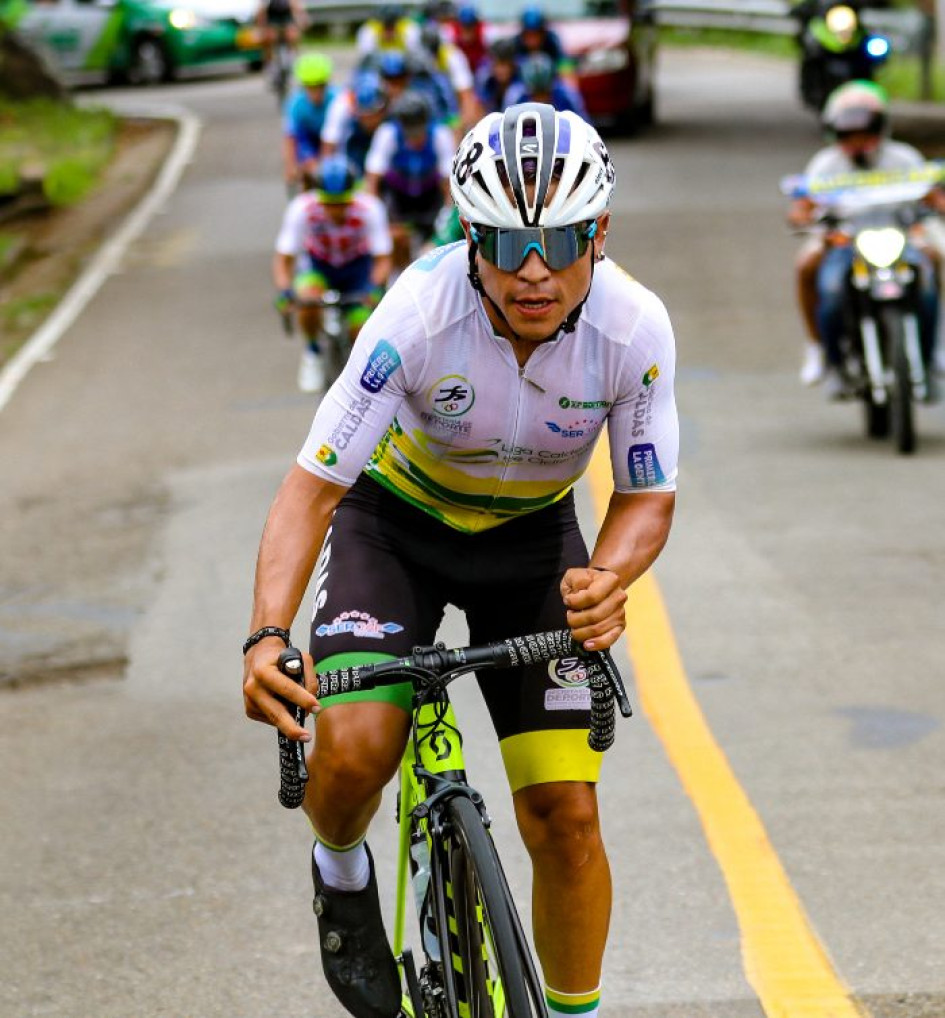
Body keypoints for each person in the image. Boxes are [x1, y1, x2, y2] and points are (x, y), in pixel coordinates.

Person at [244, 102, 679, 1018]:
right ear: (466, 234)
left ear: (597, 234)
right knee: (356, 748)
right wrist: (266, 636)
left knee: (567, 815)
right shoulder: (414, 314)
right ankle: (341, 870)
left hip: (531, 546)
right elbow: (311, 490)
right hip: (391, 529)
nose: (531, 270)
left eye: (559, 241)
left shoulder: (634, 330)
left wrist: (608, 577)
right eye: (504, 240)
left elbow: (644, 492)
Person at [787, 80, 945, 396]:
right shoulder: (825, 164)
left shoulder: (905, 158)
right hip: (844, 240)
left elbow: (932, 195)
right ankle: (820, 350)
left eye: (865, 130)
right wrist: (806, 219)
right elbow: (802, 206)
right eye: (849, 133)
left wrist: (935, 208)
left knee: (930, 272)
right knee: (816, 278)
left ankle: (933, 351)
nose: (858, 141)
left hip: (901, 236)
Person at [273, 155, 393, 392]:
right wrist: (285, 291)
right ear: (318, 195)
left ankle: (358, 373)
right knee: (307, 301)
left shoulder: (369, 208)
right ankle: (313, 351)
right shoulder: (302, 208)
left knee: (362, 326)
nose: (336, 210)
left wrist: (375, 288)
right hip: (319, 267)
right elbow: (283, 259)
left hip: (357, 269)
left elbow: (382, 259)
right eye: (329, 203)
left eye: (342, 203)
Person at [364, 90, 455, 272]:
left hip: (429, 196)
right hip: (399, 197)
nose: (414, 134)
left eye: (418, 127)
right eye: (408, 128)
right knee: (396, 239)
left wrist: (445, 217)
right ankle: (397, 275)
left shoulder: (440, 135)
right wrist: (379, 219)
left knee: (439, 243)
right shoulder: (387, 134)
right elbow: (372, 180)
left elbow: (449, 184)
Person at [281, 52, 336, 192]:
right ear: (304, 86)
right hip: (308, 138)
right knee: (308, 167)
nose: (316, 93)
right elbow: (290, 138)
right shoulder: (295, 104)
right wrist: (290, 166)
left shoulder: (337, 99)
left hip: (332, 138)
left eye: (320, 86)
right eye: (311, 87)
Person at [321, 71, 389, 175]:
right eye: (365, 116)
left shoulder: (390, 120)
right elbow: (329, 142)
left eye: (373, 115)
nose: (369, 121)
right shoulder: (341, 107)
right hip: (352, 149)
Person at [504, 51, 588, 118]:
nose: (541, 102)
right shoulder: (515, 98)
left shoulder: (567, 96)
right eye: (536, 95)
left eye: (543, 94)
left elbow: (585, 126)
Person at [515, 5, 574, 79]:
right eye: (528, 34)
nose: (532, 39)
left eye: (536, 34)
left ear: (543, 33)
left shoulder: (553, 43)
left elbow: (567, 71)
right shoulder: (515, 46)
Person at [475, 35, 520, 113]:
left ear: (513, 65)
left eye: (504, 64)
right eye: (497, 65)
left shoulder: (521, 87)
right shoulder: (485, 81)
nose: (501, 70)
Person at [356, 3, 420, 58]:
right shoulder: (370, 27)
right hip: (378, 59)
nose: (389, 26)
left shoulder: (408, 26)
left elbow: (414, 48)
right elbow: (366, 50)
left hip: (403, 58)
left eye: (393, 23)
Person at [255, 0, 306, 69]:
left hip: (287, 17)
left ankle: (294, 58)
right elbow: (261, 11)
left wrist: (302, 20)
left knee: (292, 34)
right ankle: (269, 63)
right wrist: (262, 29)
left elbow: (297, 7)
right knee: (269, 37)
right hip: (272, 18)